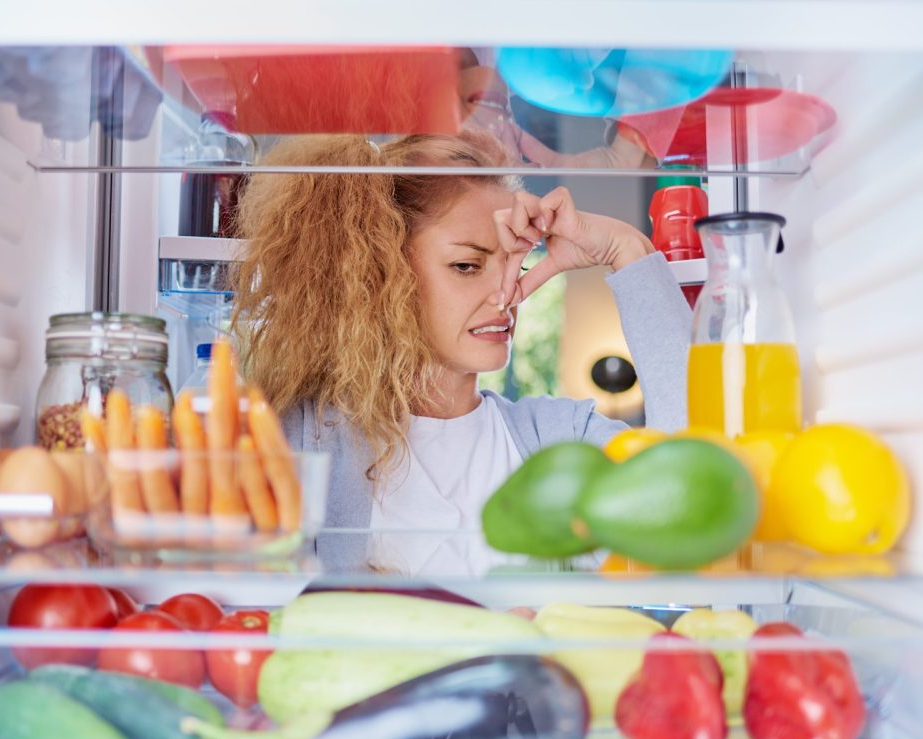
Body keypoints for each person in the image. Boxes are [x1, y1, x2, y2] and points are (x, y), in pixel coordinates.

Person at [231, 131, 692, 572]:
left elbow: (696, 490)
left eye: (516, 264)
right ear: (382, 273)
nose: (506, 293)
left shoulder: (561, 438)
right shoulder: (295, 435)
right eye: (468, 266)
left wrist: (626, 249)